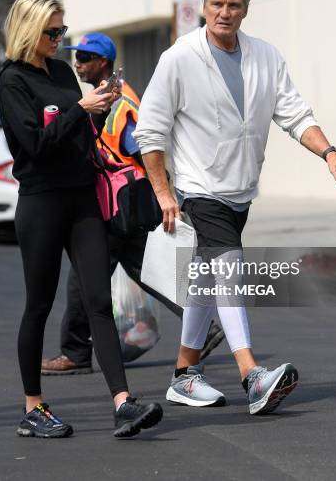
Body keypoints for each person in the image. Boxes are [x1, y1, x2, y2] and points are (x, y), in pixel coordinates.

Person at [133, 0, 336, 415]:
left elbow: (293, 112)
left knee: (203, 280)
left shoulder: (265, 56)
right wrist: (163, 192)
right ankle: (252, 376)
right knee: (229, 273)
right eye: (217, 4)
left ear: (245, 10)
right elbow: (150, 132)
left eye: (234, 5)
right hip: (199, 188)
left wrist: (329, 151)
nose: (225, 12)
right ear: (202, 6)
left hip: (240, 191)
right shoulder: (180, 58)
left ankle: (184, 376)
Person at [0, 0, 163, 438]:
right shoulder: (13, 81)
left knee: (98, 302)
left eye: (61, 31)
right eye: (52, 32)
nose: (58, 40)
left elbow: (77, 134)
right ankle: (33, 407)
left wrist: (96, 114)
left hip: (82, 197)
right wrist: (78, 111)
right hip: (42, 202)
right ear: (29, 31)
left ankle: (123, 403)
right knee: (39, 306)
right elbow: (33, 146)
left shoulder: (62, 72)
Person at [41, 33, 225, 376]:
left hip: (121, 204)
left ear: (104, 63)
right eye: (76, 57)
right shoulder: (107, 95)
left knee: (83, 276)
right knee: (148, 271)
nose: (78, 63)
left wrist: (164, 193)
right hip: (126, 202)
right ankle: (205, 326)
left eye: (85, 57)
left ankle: (76, 353)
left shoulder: (121, 102)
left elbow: (142, 145)